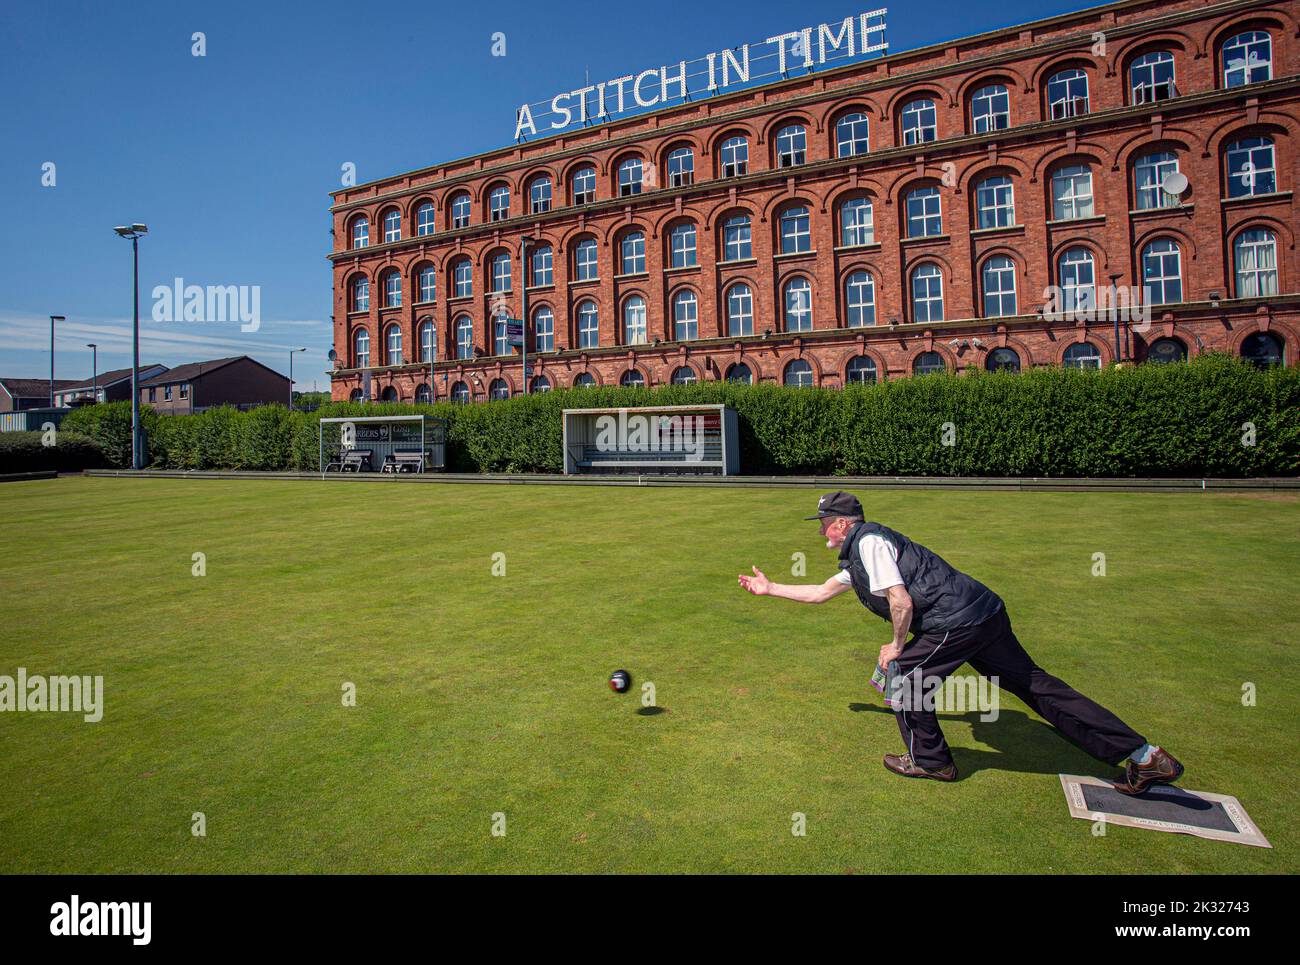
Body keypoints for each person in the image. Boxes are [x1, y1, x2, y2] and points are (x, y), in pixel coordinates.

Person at [736, 491, 1183, 794]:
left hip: (957, 621)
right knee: (1035, 685)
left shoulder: (868, 541)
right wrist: (771, 588)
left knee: (906, 680)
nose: (820, 533)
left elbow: (900, 600)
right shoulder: (860, 554)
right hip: (984, 613)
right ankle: (1145, 756)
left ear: (841, 524)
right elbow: (819, 593)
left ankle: (931, 761)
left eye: (823, 525)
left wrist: (895, 647)